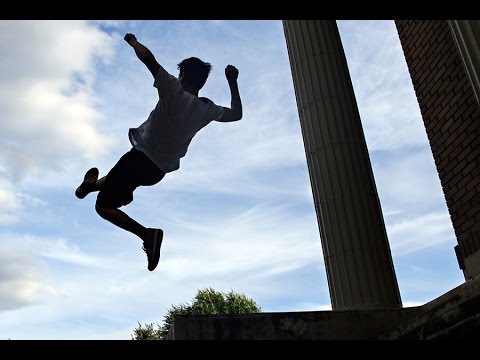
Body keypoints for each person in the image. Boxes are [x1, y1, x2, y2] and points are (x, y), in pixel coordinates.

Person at [75, 33, 243, 272]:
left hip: (140, 157)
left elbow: (148, 58)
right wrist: (232, 81)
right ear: (202, 82)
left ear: (182, 75)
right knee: (117, 178)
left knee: (103, 207)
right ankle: (89, 187)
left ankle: (147, 235)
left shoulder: (172, 88)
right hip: (157, 171)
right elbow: (236, 114)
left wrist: (132, 41)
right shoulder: (207, 109)